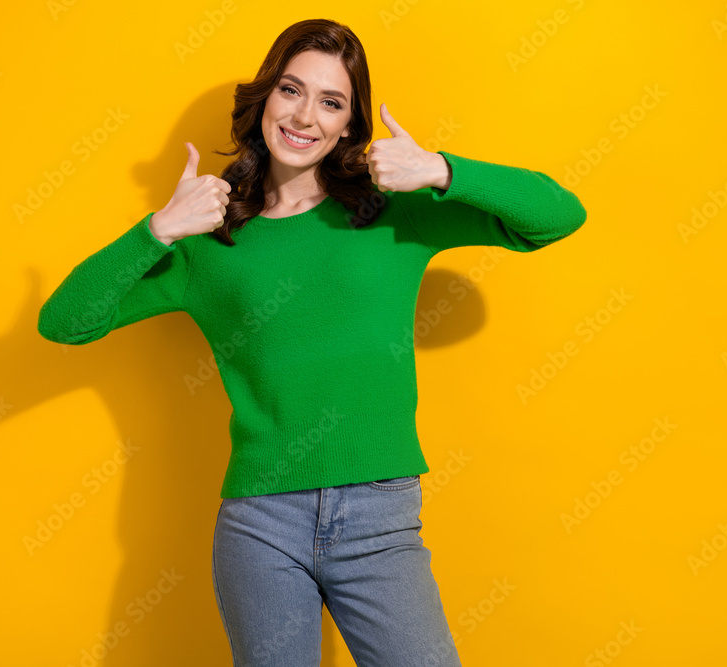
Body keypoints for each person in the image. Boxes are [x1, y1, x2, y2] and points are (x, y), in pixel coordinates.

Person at [37, 17, 587, 667]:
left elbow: (558, 214)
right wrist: (158, 229)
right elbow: (65, 320)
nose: (305, 116)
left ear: (350, 125)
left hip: (381, 520)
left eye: (331, 102)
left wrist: (439, 168)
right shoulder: (210, 244)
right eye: (291, 90)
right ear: (265, 99)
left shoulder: (393, 210)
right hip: (259, 528)